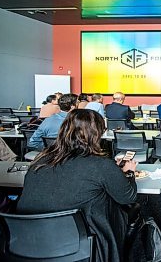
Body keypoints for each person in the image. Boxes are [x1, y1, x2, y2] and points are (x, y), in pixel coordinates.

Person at [17, 109, 137, 262]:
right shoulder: (101, 165)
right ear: (96, 134)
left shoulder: (39, 162)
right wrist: (128, 173)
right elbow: (128, 197)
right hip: (81, 244)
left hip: (29, 241)